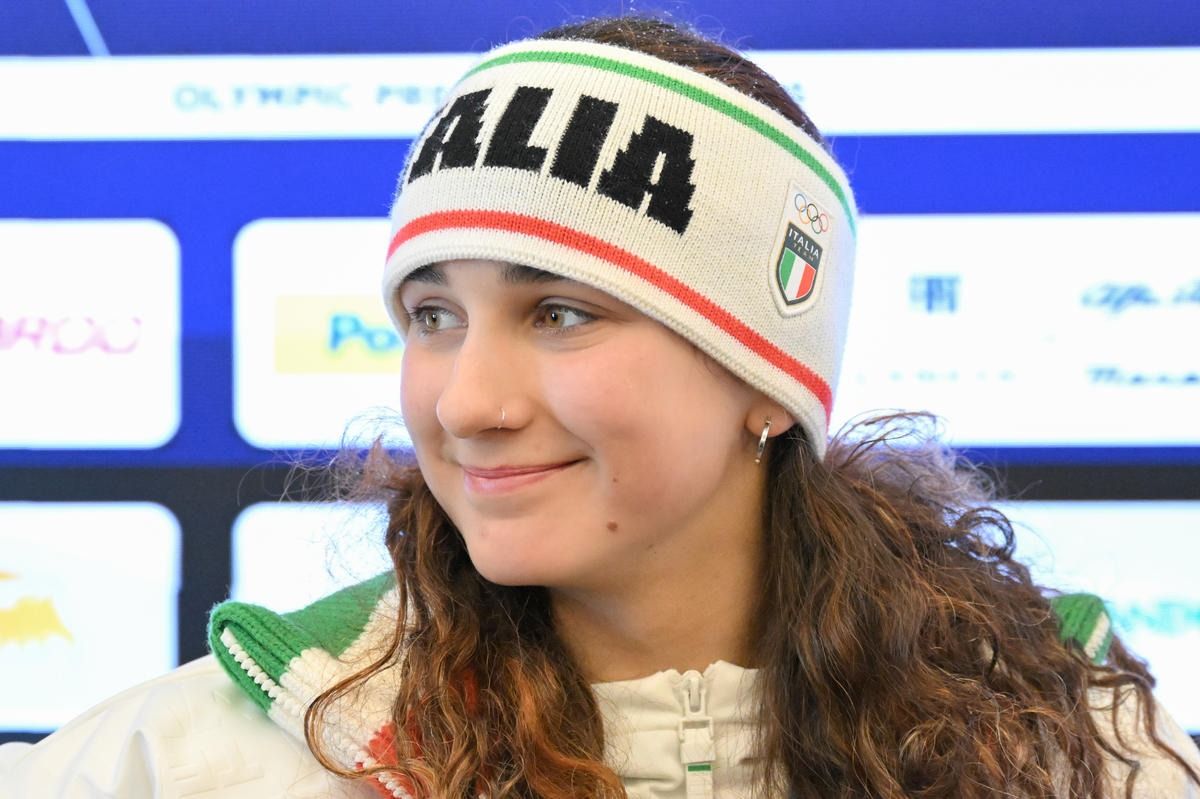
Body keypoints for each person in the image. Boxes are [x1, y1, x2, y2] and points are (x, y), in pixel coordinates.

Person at [3, 14, 1199, 799]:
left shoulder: (1067, 749)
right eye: (433, 313)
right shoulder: (189, 761)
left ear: (766, 376)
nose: (466, 401)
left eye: (561, 312)